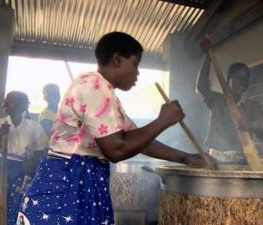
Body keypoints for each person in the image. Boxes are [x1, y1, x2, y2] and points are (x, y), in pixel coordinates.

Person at [18, 32, 213, 225]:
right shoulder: (93, 85)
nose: (137, 73)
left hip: (85, 178)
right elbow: (115, 149)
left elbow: (138, 140)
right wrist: (162, 121)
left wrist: (186, 157)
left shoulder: (107, 96)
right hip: (70, 177)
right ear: (117, 59)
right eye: (135, 64)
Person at [196, 38, 263, 163]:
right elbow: (202, 87)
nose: (243, 82)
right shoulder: (217, 100)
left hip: (244, 160)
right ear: (228, 79)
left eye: (246, 79)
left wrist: (250, 126)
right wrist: (208, 57)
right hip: (216, 159)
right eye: (238, 78)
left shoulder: (253, 106)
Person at [0, 91, 47, 225]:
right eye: (7, 100)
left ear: (23, 106)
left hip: (24, 169)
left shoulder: (34, 127)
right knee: (2, 200)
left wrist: (30, 165)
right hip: (1, 167)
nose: (7, 103)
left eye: (12, 101)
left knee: (18, 201)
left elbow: (40, 154)